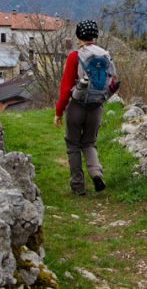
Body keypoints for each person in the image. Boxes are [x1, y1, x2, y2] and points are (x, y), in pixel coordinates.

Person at [54, 20, 116, 195]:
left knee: (73, 145)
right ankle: (96, 174)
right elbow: (111, 83)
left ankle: (78, 186)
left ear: (78, 36)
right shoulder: (105, 55)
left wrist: (58, 112)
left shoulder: (75, 56)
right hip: (96, 107)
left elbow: (66, 88)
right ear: (95, 36)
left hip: (77, 106)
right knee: (89, 143)